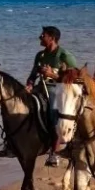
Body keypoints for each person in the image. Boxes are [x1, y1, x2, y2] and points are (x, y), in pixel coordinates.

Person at [20, 25, 76, 166]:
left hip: (58, 90)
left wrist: (52, 75)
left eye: (43, 35)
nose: (40, 37)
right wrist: (29, 85)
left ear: (52, 38)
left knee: (53, 114)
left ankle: (54, 153)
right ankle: (13, 143)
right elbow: (32, 75)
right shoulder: (40, 55)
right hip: (40, 88)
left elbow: (73, 79)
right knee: (17, 105)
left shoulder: (64, 56)